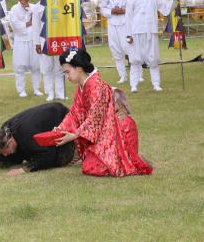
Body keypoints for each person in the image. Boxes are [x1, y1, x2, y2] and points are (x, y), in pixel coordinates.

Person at [53, 48, 153, 177]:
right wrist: (62, 127)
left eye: (68, 72)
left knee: (93, 168)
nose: (67, 76)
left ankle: (133, 158)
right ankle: (131, 157)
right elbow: (75, 112)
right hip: (106, 130)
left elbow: (96, 116)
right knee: (89, 166)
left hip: (121, 130)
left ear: (79, 68)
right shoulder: (82, 86)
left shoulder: (96, 86)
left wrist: (75, 135)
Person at [0, 102, 79, 176]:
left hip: (65, 121)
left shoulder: (28, 136)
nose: (4, 155)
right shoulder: (5, 131)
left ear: (10, 142)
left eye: (4, 152)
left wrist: (23, 169)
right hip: (49, 116)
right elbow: (1, 150)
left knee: (69, 157)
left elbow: (46, 157)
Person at [124, 0, 176, 93]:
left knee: (153, 59)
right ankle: (134, 85)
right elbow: (128, 17)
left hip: (151, 31)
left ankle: (156, 84)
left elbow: (167, 9)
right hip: (136, 32)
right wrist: (128, 34)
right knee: (135, 59)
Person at [32, 0, 65, 101]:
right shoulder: (36, 7)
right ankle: (50, 93)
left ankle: (60, 93)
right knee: (46, 68)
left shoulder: (56, 3)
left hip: (56, 39)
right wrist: (36, 43)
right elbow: (35, 27)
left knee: (59, 67)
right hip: (43, 40)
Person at [9, 0, 43, 97]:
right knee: (20, 65)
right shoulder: (14, 9)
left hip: (34, 39)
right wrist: (30, 23)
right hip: (21, 40)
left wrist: (29, 9)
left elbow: (38, 21)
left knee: (36, 65)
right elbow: (16, 25)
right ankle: (21, 90)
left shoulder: (34, 7)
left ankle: (36, 88)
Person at [101, 0, 133, 83]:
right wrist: (111, 11)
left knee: (129, 47)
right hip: (112, 23)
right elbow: (103, 8)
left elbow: (133, 4)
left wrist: (124, 11)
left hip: (125, 22)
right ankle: (123, 76)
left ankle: (137, 74)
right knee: (115, 49)